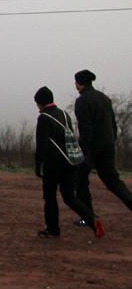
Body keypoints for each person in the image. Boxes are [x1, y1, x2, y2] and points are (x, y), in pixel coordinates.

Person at [33, 86, 104, 239]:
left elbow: (41, 145)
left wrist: (38, 165)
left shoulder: (44, 118)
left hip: (53, 164)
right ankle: (92, 219)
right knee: (70, 197)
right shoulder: (65, 115)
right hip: (71, 162)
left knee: (50, 196)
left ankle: (53, 230)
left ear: (39, 103)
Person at [73, 70, 132, 219]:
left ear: (79, 84)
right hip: (108, 145)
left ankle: (88, 216)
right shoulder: (104, 98)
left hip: (91, 147)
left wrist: (83, 149)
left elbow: (85, 128)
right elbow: (113, 123)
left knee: (80, 179)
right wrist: (112, 140)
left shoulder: (82, 101)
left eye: (76, 82)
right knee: (113, 181)